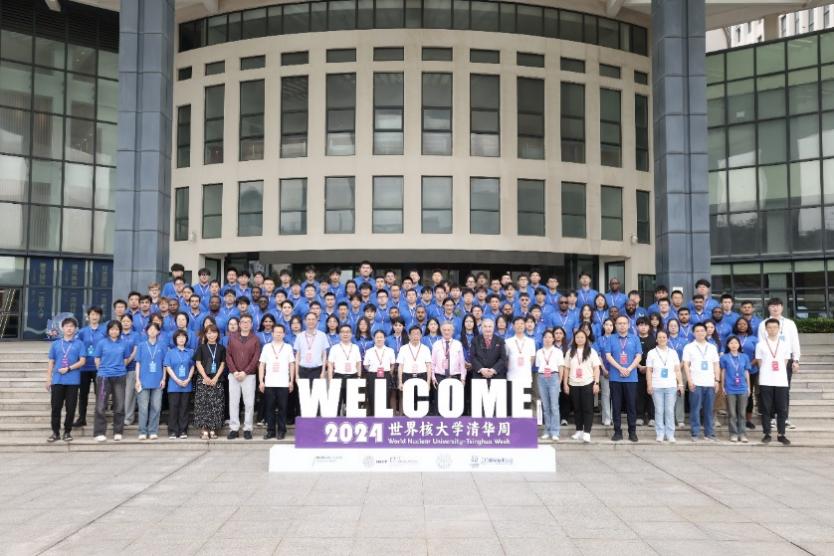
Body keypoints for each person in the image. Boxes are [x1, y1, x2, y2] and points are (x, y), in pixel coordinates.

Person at [756, 298, 800, 430]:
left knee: (784, 390)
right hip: (768, 361)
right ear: (768, 308)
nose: (775, 308)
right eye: (772, 306)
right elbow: (761, 343)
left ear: (782, 307)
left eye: (778, 306)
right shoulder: (763, 324)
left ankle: (784, 418)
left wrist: (796, 359)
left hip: (785, 359)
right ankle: (771, 418)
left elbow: (795, 342)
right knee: (768, 391)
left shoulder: (790, 323)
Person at [45, 317, 86, 442]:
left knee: (71, 408)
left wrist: (69, 368)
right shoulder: (56, 344)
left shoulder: (79, 344)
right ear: (62, 328)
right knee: (56, 408)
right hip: (57, 380)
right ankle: (55, 432)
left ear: (75, 329)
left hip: (73, 381)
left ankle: (67, 432)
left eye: (72, 326)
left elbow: (82, 361)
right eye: (67, 326)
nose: (69, 328)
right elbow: (51, 362)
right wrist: (48, 379)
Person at [93, 320, 132, 442]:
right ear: (108, 330)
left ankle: (118, 431)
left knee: (119, 405)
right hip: (104, 377)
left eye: (116, 329)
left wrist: (119, 368)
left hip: (119, 376)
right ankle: (99, 432)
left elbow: (126, 359)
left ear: (119, 331)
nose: (114, 331)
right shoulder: (102, 343)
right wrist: (103, 370)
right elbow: (97, 359)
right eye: (112, 329)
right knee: (101, 405)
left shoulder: (124, 343)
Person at [682, 323, 721, 442]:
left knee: (709, 410)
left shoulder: (712, 347)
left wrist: (717, 380)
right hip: (696, 382)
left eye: (702, 330)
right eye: (697, 331)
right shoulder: (689, 347)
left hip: (710, 382)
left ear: (706, 332)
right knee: (695, 409)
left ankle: (709, 433)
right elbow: (686, 365)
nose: (700, 333)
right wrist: (689, 381)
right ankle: (695, 433)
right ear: (693, 333)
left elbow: (716, 364)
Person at [756, 318, 793, 445]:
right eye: (769, 327)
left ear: (779, 329)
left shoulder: (785, 344)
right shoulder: (760, 345)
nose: (772, 330)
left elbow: (785, 362)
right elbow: (760, 362)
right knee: (766, 408)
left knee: (782, 409)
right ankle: (767, 433)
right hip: (765, 380)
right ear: (766, 329)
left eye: (775, 327)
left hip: (781, 381)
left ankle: (781, 434)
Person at [606, 316, 642, 442]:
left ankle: (632, 432)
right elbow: (608, 355)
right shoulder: (611, 338)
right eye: (619, 323)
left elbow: (638, 356)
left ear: (628, 325)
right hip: (615, 377)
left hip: (631, 378)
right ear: (615, 325)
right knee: (616, 406)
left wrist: (629, 368)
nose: (622, 325)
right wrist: (620, 368)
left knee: (631, 406)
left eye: (624, 323)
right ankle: (617, 431)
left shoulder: (635, 338)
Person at [561, 329, 601, 443]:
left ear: (586, 339)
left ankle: (587, 432)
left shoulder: (591, 351)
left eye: (582, 337)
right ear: (574, 339)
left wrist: (596, 383)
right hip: (573, 383)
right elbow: (566, 369)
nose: (579, 339)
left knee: (587, 408)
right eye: (577, 337)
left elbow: (596, 368)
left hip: (587, 383)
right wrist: (565, 383)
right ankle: (579, 430)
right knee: (577, 408)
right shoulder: (570, 352)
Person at [225, 314, 260, 439]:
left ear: (251, 324)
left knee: (249, 403)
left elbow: (256, 358)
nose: (245, 324)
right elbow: (228, 356)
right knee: (233, 402)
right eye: (243, 322)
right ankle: (234, 428)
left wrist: (245, 372)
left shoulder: (255, 339)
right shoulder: (232, 338)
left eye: (248, 322)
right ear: (239, 324)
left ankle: (247, 428)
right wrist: (234, 371)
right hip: (233, 375)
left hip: (249, 376)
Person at [646, 330, 684, 443]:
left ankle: (670, 434)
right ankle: (660, 434)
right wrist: (649, 384)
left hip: (671, 386)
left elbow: (677, 370)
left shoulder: (673, 353)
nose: (662, 339)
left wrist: (680, 384)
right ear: (656, 339)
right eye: (660, 337)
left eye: (664, 337)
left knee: (669, 411)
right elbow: (649, 370)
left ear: (667, 339)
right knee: (659, 411)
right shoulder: (651, 353)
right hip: (656, 386)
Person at [258, 324, 295, 439]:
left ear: (284, 334)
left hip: (283, 383)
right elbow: (262, 364)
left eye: (280, 332)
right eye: (276, 332)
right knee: (269, 408)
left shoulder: (288, 347)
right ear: (272, 333)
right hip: (269, 383)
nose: (278, 334)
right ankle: (271, 431)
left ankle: (282, 431)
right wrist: (261, 381)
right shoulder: (267, 347)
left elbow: (292, 364)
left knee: (283, 408)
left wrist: (291, 381)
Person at [134, 321, 167, 440]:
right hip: (143, 381)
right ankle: (142, 431)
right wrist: (137, 379)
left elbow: (165, 364)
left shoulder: (162, 346)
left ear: (158, 332)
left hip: (157, 381)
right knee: (143, 408)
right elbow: (138, 363)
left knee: (156, 407)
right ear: (146, 331)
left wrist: (164, 378)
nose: (152, 331)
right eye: (150, 329)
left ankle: (153, 430)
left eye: (155, 329)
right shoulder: (141, 345)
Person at [193, 324, 226, 440]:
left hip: (217, 380)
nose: (211, 335)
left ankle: (213, 428)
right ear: (206, 335)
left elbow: (222, 364)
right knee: (203, 405)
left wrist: (216, 377)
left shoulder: (221, 348)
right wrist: (205, 377)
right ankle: (204, 429)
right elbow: (198, 363)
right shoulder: (201, 348)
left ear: (218, 334)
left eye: (214, 332)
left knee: (216, 405)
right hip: (203, 380)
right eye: (209, 333)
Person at [74, 306, 105, 428]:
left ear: (100, 316)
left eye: (97, 314)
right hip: (84, 367)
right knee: (83, 394)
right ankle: (81, 418)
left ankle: (99, 418)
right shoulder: (82, 332)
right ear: (88, 316)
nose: (94, 316)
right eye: (92, 314)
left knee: (100, 395)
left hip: (99, 367)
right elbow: (77, 346)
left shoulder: (104, 331)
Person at [430, 322, 467, 415]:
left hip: (454, 377)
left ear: (452, 331)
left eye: (449, 330)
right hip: (439, 377)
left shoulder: (458, 344)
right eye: (444, 330)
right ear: (441, 331)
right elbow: (432, 363)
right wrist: (433, 377)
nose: (446, 332)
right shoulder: (436, 344)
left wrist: (463, 378)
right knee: (440, 402)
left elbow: (462, 363)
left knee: (453, 402)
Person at [164, 330, 195, 439]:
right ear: (175, 339)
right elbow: (168, 367)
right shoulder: (170, 352)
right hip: (174, 385)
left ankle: (183, 431)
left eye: (183, 337)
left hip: (187, 384)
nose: (181, 339)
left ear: (186, 339)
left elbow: (193, 366)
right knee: (173, 408)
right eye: (179, 337)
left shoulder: (190, 352)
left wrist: (188, 379)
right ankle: (173, 431)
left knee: (184, 409)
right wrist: (177, 380)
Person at [720, 335, 751, 443]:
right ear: (728, 345)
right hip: (730, 388)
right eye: (731, 343)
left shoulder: (744, 357)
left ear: (739, 345)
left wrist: (748, 387)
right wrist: (723, 386)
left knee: (742, 413)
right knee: (732, 413)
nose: (734, 345)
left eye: (736, 343)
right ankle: (733, 433)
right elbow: (723, 372)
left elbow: (746, 372)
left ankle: (742, 434)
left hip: (742, 388)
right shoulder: (724, 357)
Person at [327, 324, 362, 416]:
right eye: (343, 332)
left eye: (347, 332)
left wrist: (359, 377)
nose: (345, 334)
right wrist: (330, 379)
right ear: (339, 334)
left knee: (352, 405)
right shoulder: (334, 348)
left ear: (351, 334)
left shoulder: (355, 347)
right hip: (338, 377)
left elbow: (358, 363)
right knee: (336, 404)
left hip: (353, 377)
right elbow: (330, 364)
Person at [536, 330, 563, 440]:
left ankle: (555, 431)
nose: (547, 339)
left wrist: (560, 381)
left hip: (554, 377)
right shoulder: (539, 352)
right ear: (543, 339)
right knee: (546, 406)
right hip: (542, 377)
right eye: (545, 337)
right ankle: (547, 430)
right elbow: (538, 366)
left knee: (554, 406)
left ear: (553, 339)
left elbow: (561, 367)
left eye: (550, 337)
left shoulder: (558, 351)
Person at [364, 329, 397, 416]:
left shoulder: (390, 350)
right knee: (372, 396)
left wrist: (389, 373)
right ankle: (373, 416)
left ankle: (384, 417)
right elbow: (366, 365)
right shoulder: (369, 351)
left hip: (386, 375)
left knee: (385, 396)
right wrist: (373, 370)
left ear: (385, 338)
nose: (379, 339)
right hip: (372, 375)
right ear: (374, 338)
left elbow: (392, 364)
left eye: (381, 337)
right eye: (377, 337)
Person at [397, 325, 433, 394]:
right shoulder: (403, 348)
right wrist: (400, 382)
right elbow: (400, 366)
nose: (416, 336)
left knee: (422, 399)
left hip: (422, 376)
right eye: (413, 334)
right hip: (407, 376)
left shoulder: (426, 348)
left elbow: (428, 366)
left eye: (418, 334)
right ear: (409, 336)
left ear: (421, 336)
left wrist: (428, 383)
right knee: (408, 399)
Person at [635, 317, 656, 427]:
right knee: (639, 394)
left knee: (651, 393)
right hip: (637, 371)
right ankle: (639, 416)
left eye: (645, 325)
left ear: (649, 327)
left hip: (652, 371)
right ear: (637, 327)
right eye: (641, 325)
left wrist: (647, 367)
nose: (643, 327)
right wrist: (639, 366)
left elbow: (656, 357)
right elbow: (631, 355)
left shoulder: (654, 340)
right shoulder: (634, 339)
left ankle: (652, 417)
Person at [119, 314, 139, 426]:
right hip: (118, 369)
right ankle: (119, 417)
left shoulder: (136, 335)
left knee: (129, 395)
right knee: (119, 394)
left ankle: (128, 418)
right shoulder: (117, 334)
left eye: (128, 321)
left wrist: (126, 361)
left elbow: (136, 350)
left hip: (131, 368)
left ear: (131, 323)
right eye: (124, 321)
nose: (126, 323)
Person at [594, 318, 615, 426]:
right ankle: (606, 418)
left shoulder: (617, 339)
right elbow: (598, 355)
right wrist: (604, 369)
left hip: (616, 372)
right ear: (603, 326)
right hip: (604, 371)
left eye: (611, 325)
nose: (608, 327)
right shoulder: (599, 339)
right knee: (606, 394)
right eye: (607, 324)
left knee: (615, 395)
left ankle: (613, 417)